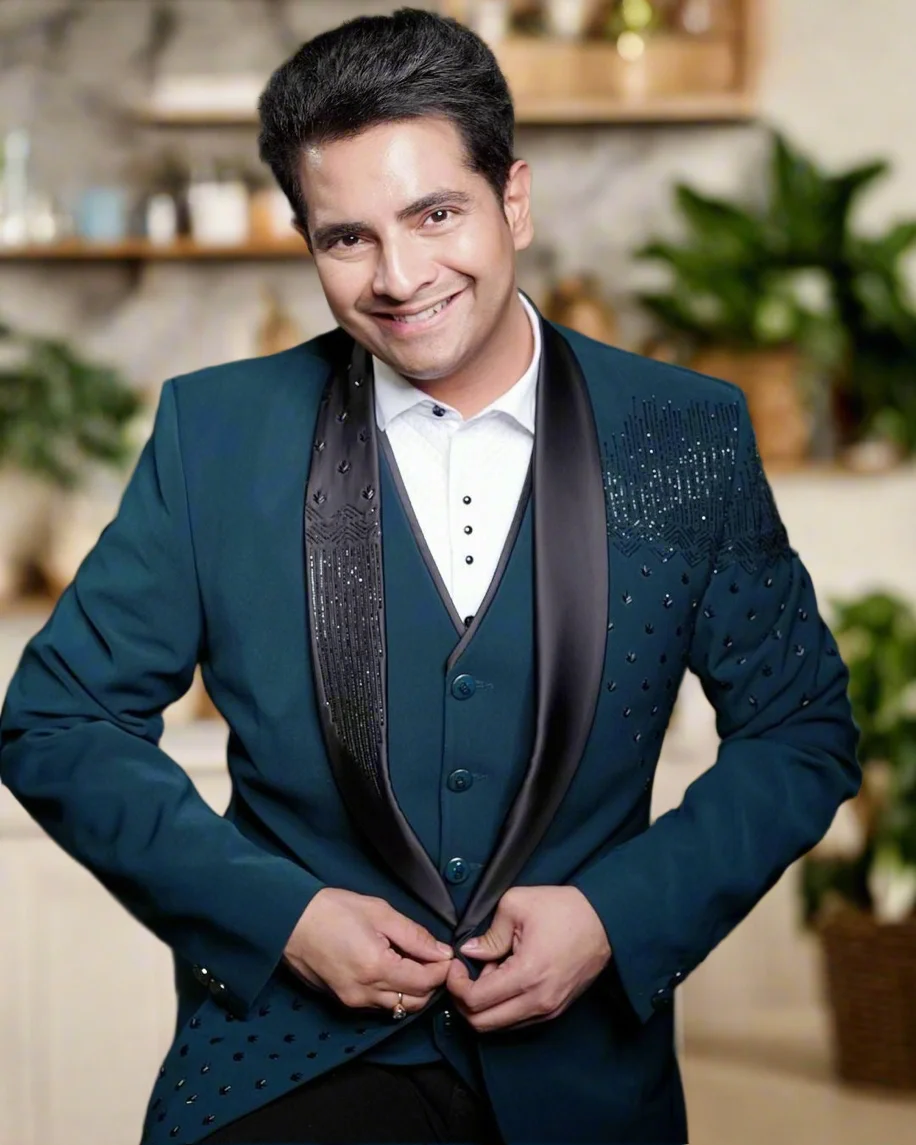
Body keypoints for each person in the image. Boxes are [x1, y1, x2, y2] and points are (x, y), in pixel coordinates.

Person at [0, 9, 860, 1145]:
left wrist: (614, 916)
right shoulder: (217, 435)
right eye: (345, 238)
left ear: (515, 200)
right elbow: (58, 721)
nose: (399, 278)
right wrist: (284, 915)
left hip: (581, 1087)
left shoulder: (681, 433)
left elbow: (800, 729)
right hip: (278, 1072)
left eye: (435, 214)